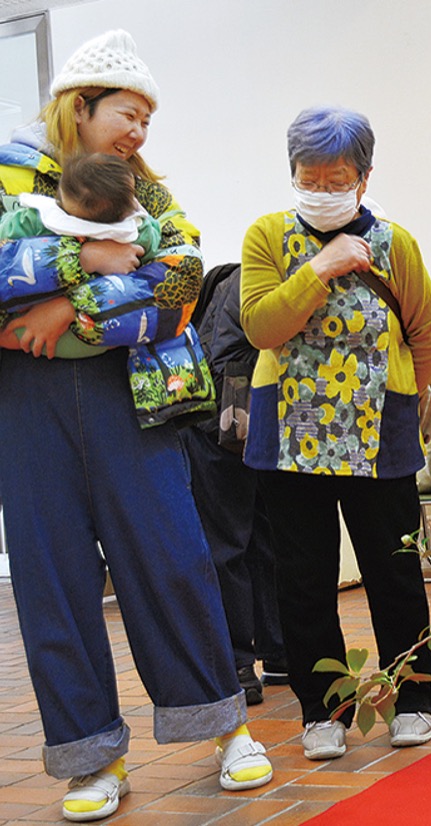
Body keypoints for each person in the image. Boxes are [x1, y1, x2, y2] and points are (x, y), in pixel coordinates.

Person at [0, 29, 273, 823]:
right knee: (52, 581)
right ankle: (92, 758)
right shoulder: (8, 174)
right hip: (27, 408)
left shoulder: (148, 191)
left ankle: (225, 729)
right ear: (78, 106)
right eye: (130, 113)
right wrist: (84, 262)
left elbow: (181, 282)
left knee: (173, 558)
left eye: (148, 119)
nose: (140, 133)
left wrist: (63, 309)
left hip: (134, 401)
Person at [241, 106, 431, 761]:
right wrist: (320, 267)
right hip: (288, 439)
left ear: (364, 178)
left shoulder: (396, 243)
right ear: (292, 173)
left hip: (378, 436)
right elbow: (261, 328)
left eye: (338, 180)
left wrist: (405, 392)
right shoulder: (267, 238)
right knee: (302, 580)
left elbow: (429, 327)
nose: (323, 191)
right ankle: (322, 712)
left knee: (394, 573)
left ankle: (412, 700)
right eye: (311, 177)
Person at [184, 262, 288, 706]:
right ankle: (238, 664)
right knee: (229, 546)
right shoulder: (255, 280)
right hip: (219, 427)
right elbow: (228, 362)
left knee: (270, 540)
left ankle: (280, 651)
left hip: (259, 431)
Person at [0, 152, 160, 356]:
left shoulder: (40, 218)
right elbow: (154, 239)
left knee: (20, 328)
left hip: (37, 301)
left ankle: (8, 338)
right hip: (92, 320)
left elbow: (7, 230)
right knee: (91, 339)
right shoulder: (136, 233)